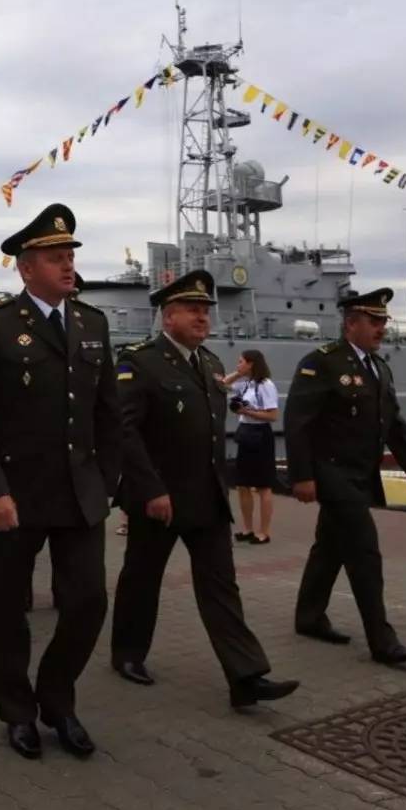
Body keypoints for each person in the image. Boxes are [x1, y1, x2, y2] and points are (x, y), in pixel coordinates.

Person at [0, 203, 121, 760]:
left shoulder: (92, 323)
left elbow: (106, 410)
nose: (68, 265)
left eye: (70, 255)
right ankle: (17, 711)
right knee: (4, 611)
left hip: (79, 493)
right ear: (26, 268)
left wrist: (110, 480)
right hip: (14, 495)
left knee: (89, 601)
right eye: (55, 257)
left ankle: (56, 697)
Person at [110, 271, 300, 709]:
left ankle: (246, 677)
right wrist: (151, 489)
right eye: (192, 310)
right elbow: (125, 432)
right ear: (168, 316)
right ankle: (128, 655)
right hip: (160, 498)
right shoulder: (139, 361)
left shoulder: (212, 364)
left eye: (205, 310)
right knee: (141, 579)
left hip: (208, 496)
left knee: (221, 586)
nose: (202, 317)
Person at [284, 287, 406, 665]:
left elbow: (392, 421)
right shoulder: (322, 362)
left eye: (383, 321)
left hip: (361, 474)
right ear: (351, 324)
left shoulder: (379, 368)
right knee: (364, 553)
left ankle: (309, 617)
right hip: (331, 473)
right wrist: (302, 476)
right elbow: (298, 424)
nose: (381, 328)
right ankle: (382, 641)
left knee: (329, 549)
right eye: (374, 321)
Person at [223, 349, 279, 543]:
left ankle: (263, 532)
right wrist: (239, 373)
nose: (237, 364)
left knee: (263, 486)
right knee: (243, 484)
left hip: (260, 435)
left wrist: (248, 411)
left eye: (241, 362)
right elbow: (223, 384)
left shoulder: (265, 385)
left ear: (251, 363)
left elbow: (272, 415)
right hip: (245, 434)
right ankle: (247, 529)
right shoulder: (246, 384)